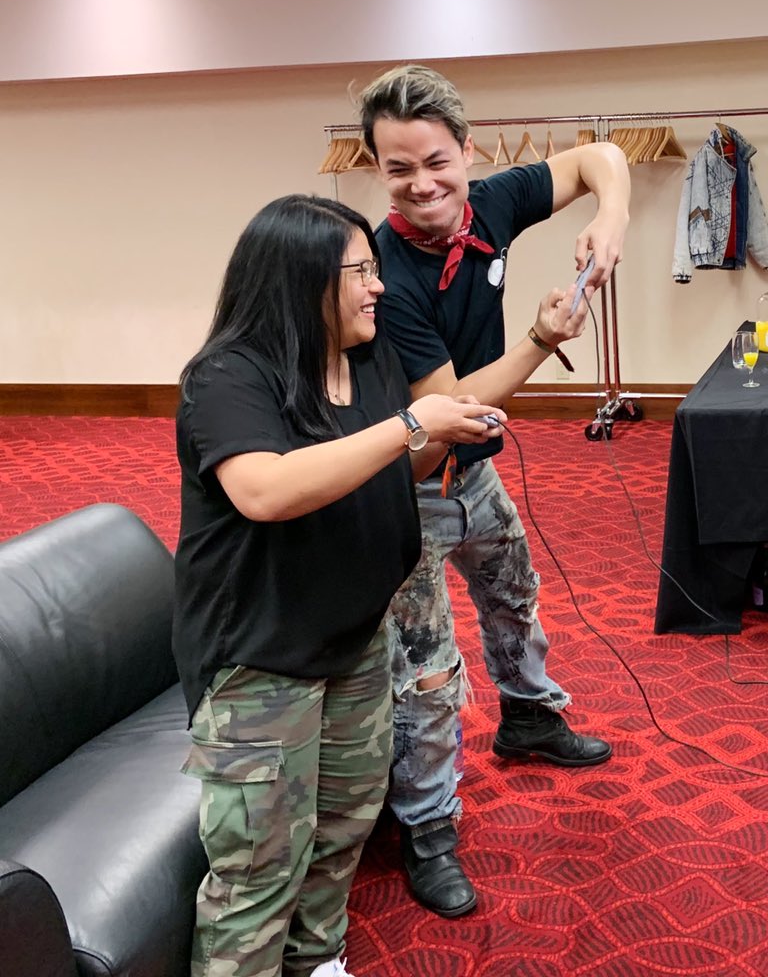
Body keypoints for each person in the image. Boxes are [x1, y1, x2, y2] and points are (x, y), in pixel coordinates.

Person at [172, 193, 505, 977]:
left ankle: (317, 961)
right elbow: (268, 490)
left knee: (344, 826)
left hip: (355, 636)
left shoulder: (367, 358)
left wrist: (523, 350)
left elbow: (405, 459)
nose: (378, 286)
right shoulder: (227, 377)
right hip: (262, 658)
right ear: (301, 280)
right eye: (360, 270)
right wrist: (414, 424)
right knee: (258, 869)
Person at [356, 64, 631, 919]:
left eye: (437, 161)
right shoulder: (387, 272)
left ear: (468, 152)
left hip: (474, 471)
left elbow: (602, 157)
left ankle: (530, 717)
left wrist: (610, 221)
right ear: (375, 169)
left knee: (515, 596)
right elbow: (450, 407)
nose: (421, 186)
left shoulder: (493, 204)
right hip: (411, 487)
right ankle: (427, 827)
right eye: (398, 169)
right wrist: (544, 340)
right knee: (428, 673)